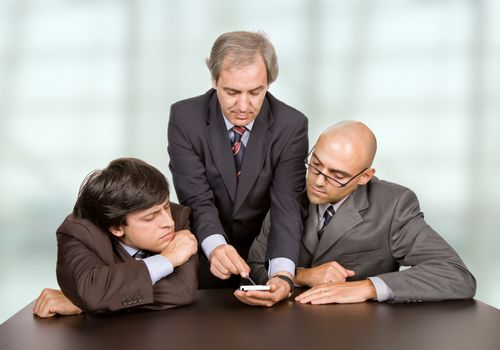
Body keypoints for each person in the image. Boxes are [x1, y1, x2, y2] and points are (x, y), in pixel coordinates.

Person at [238, 121, 476, 306]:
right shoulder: (290, 190)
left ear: (365, 177)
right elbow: (255, 267)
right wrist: (301, 276)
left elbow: (455, 274)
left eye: (337, 175)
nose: (318, 181)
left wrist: (367, 287)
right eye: (316, 164)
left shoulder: (393, 205)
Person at [167, 30, 308, 294]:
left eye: (256, 92)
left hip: (265, 255)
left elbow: (287, 205)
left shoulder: (292, 125)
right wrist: (216, 247)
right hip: (204, 258)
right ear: (214, 80)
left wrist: (283, 275)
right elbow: (196, 198)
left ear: (269, 82)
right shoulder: (185, 118)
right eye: (232, 92)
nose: (243, 105)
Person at [33, 158, 198, 317]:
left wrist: (91, 302)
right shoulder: (77, 232)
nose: (169, 222)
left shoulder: (178, 216)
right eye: (150, 217)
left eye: (166, 206)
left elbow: (182, 290)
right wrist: (168, 259)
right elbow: (92, 293)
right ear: (117, 228)